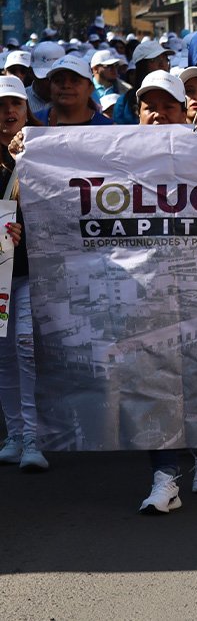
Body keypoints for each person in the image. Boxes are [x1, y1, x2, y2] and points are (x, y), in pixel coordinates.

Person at [131, 71, 197, 513]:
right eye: (149, 107)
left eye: (167, 105)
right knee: (156, 383)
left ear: (183, 110)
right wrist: (26, 150)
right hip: (147, 290)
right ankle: (165, 476)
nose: (158, 114)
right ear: (138, 114)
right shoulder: (114, 154)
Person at [0, 75, 46, 472]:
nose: (8, 112)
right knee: (3, 354)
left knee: (26, 347)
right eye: (0, 106)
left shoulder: (44, 150)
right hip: (0, 275)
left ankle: (34, 437)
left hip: (33, 271)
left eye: (15, 104)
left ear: (26, 109)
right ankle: (14, 434)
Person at [35, 55, 112, 125]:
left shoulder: (108, 128)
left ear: (90, 88)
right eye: (58, 80)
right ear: (50, 87)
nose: (66, 86)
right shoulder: (32, 123)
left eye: (75, 80)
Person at [111, 39, 172, 124]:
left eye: (165, 59)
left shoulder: (179, 97)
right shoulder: (123, 104)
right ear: (141, 67)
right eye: (155, 60)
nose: (162, 65)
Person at [26, 41, 65, 113]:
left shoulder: (74, 101)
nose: (52, 84)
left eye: (58, 79)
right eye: (47, 78)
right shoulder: (20, 99)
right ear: (31, 73)